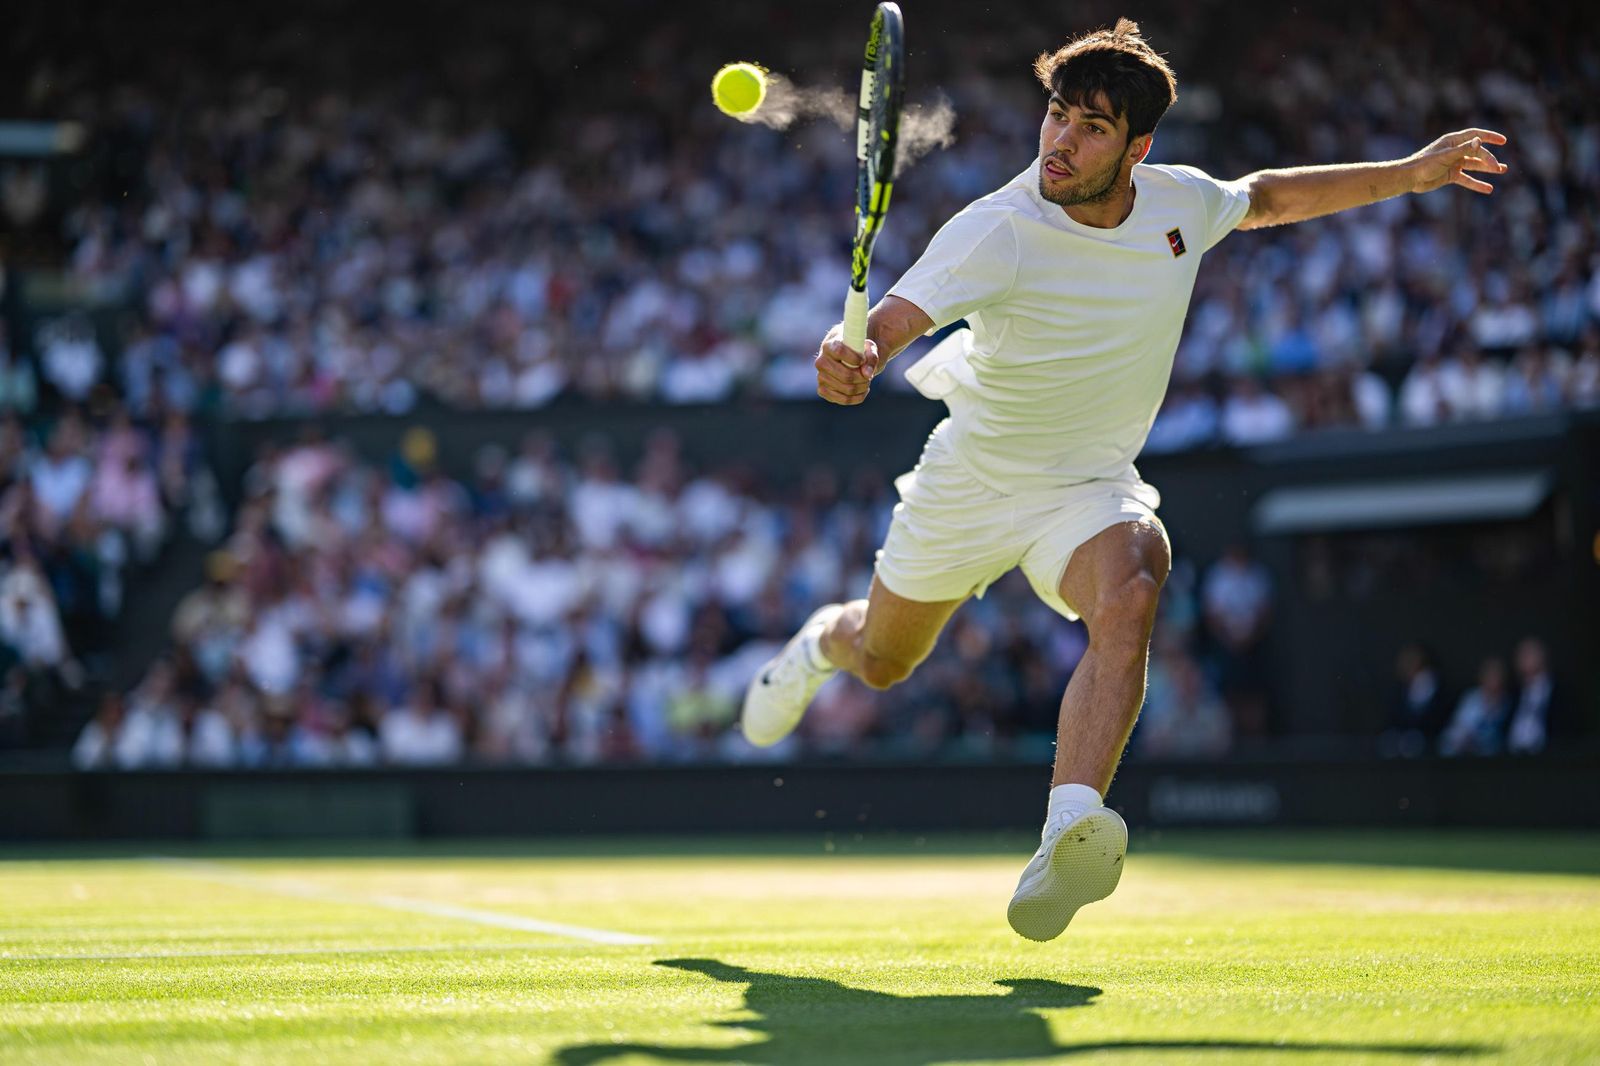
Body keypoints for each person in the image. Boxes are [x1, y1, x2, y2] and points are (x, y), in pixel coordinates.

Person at [740, 18, 1507, 941]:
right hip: (973, 480)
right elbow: (893, 322)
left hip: (1089, 487)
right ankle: (818, 645)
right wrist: (852, 354)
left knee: (1137, 579)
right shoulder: (996, 228)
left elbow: (1266, 196)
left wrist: (1409, 173)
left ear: (1137, 150)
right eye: (1057, 115)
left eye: (1092, 127)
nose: (1061, 140)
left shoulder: (1179, 205)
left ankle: (1067, 830)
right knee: (882, 661)